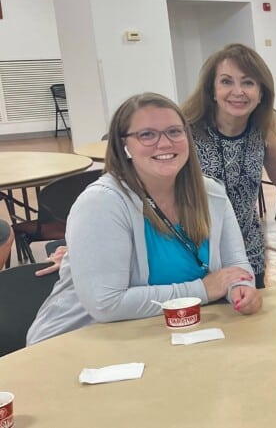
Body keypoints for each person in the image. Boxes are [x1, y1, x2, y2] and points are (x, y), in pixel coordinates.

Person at [27, 93, 260, 345]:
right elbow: (106, 304)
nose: (164, 143)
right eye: (147, 134)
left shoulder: (211, 193)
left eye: (174, 131)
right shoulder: (101, 204)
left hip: (167, 335)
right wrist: (203, 290)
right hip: (82, 344)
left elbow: (236, 265)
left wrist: (239, 289)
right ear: (124, 144)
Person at [183, 43, 276, 288]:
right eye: (226, 82)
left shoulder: (263, 128)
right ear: (212, 90)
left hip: (247, 252)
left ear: (261, 93)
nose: (238, 91)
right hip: (196, 254)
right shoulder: (186, 132)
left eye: (248, 82)